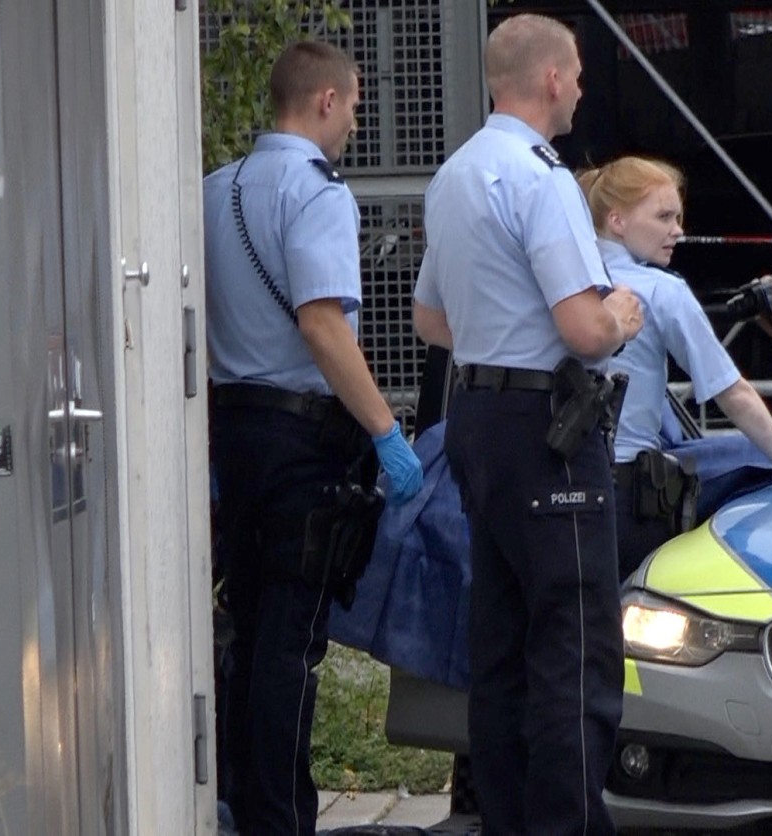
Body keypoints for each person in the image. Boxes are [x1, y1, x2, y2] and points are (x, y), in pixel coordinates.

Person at [411, 14, 643, 835]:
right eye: (577, 74)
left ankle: (505, 821)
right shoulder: (541, 179)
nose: (580, 88)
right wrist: (619, 312)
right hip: (549, 428)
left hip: (476, 415)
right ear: (550, 80)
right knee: (573, 646)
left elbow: (429, 319)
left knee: (502, 644)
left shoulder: (458, 174)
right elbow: (582, 330)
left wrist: (498, 325)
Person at [203, 40, 423, 836]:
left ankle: (230, 801)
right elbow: (323, 325)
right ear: (325, 100)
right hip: (301, 444)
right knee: (290, 643)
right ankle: (280, 819)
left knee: (248, 624)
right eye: (358, 104)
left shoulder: (215, 189)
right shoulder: (319, 194)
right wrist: (387, 433)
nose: (358, 121)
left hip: (235, 430)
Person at [578, 156, 772, 578]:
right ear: (617, 220)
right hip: (620, 489)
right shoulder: (660, 290)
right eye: (664, 216)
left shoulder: (561, 280)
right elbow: (733, 392)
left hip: (552, 482)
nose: (679, 230)